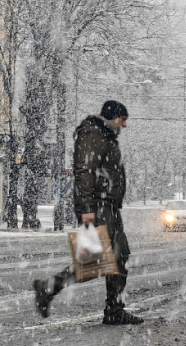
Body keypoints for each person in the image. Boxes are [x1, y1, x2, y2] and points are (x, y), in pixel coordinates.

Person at [33, 100, 142, 325]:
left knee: (114, 257)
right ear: (113, 118)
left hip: (107, 206)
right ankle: (49, 288)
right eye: (123, 120)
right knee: (95, 260)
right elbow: (84, 172)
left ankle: (113, 308)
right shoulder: (93, 135)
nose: (125, 125)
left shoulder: (103, 135)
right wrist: (87, 209)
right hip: (99, 206)